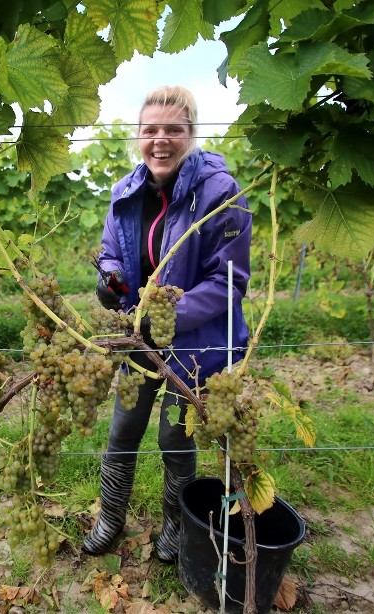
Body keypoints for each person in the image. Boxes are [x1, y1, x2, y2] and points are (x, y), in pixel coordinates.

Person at [86, 86, 252, 562]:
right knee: (123, 427)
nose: (161, 140)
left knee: (174, 437)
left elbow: (229, 281)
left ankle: (176, 524)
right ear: (139, 137)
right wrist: (111, 279)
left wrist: (164, 315)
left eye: (173, 130)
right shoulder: (125, 191)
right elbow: (111, 252)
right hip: (140, 337)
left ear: (191, 134)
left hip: (199, 342)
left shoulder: (222, 192)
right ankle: (110, 517)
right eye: (150, 130)